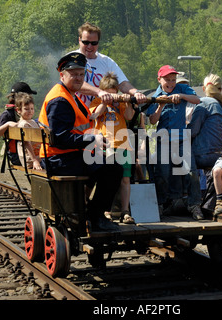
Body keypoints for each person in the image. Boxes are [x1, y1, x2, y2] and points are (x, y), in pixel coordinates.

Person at [37, 52, 123, 232]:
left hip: (68, 155)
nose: (78, 77)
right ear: (62, 75)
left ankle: (89, 212)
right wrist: (93, 139)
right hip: (59, 159)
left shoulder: (69, 94)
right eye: (73, 74)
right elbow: (60, 139)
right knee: (113, 168)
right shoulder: (60, 100)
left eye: (81, 74)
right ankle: (96, 216)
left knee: (109, 164)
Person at [146, 65, 201, 218]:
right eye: (167, 80)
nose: (171, 83)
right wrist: (161, 105)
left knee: (191, 172)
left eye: (173, 79)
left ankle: (195, 205)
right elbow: (152, 121)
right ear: (159, 80)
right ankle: (161, 205)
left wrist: (182, 96)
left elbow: (197, 100)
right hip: (163, 139)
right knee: (162, 173)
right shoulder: (155, 96)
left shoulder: (182, 88)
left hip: (182, 138)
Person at [89, 72, 135, 224]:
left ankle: (125, 211)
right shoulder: (97, 101)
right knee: (103, 179)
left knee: (125, 179)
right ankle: (104, 210)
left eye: (114, 93)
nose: (112, 96)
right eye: (109, 93)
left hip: (122, 145)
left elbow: (129, 116)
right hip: (104, 145)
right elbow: (94, 116)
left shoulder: (121, 102)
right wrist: (105, 101)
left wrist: (127, 102)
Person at [72, 22, 147, 107]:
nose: (89, 46)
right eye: (86, 42)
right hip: (77, 113)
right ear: (79, 40)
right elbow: (75, 83)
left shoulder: (107, 61)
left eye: (94, 43)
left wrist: (136, 92)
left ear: (98, 42)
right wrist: (99, 92)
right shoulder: (72, 59)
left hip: (102, 116)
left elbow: (122, 83)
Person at [186, 74, 222, 218]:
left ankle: (188, 203)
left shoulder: (203, 103)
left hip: (203, 155)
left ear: (204, 88)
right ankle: (209, 206)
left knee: (176, 159)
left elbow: (192, 132)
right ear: (220, 89)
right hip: (220, 155)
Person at [0, 82, 37, 165]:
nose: (30, 98)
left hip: (29, 152)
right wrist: (8, 124)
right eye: (29, 95)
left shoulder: (26, 112)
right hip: (17, 155)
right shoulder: (8, 114)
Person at [14, 92, 42, 170]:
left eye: (32, 108)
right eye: (26, 109)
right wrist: (35, 161)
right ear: (18, 110)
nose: (30, 111)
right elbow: (27, 144)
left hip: (38, 157)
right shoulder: (23, 125)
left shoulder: (32, 122)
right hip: (31, 160)